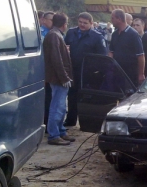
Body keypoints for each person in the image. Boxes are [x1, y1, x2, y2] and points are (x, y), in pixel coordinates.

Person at [64, 12, 108, 126]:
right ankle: (70, 119)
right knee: (72, 95)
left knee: (85, 97)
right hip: (72, 70)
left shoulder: (97, 37)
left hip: (88, 72)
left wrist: (96, 71)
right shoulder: (71, 33)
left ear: (91, 23)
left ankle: (87, 122)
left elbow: (102, 56)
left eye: (85, 23)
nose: (82, 25)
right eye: (80, 22)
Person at [43, 13, 75, 146]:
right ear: (64, 24)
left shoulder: (54, 35)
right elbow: (56, 59)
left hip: (58, 78)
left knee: (61, 107)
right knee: (57, 106)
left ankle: (60, 131)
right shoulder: (54, 36)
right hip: (58, 79)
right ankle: (54, 135)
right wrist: (64, 77)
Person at [109, 9, 145, 86]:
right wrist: (110, 66)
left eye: (112, 18)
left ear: (119, 19)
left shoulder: (133, 35)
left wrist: (141, 74)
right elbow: (111, 51)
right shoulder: (114, 34)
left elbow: (141, 56)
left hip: (129, 74)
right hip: (116, 72)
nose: (111, 20)